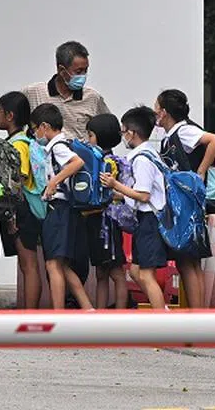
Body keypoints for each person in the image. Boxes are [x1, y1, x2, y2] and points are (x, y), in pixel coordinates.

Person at [153, 88, 215, 309]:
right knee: (190, 262)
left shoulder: (184, 132)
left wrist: (199, 173)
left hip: (187, 203)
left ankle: (196, 315)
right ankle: (198, 313)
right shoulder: (170, 136)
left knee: (187, 261)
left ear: (164, 112)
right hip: (183, 202)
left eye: (157, 109)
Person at [104, 106, 169, 310]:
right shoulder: (148, 154)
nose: (123, 135)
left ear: (132, 132)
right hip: (145, 219)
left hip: (150, 220)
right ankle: (163, 312)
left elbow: (143, 194)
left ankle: (165, 324)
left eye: (124, 131)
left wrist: (116, 185)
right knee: (135, 270)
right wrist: (118, 193)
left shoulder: (142, 160)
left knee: (147, 275)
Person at [0, 41, 110, 142]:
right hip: (40, 166)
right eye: (78, 72)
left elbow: (108, 128)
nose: (83, 76)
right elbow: (0, 108)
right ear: (61, 70)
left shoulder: (92, 98)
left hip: (77, 166)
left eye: (85, 71)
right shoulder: (34, 92)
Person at [32, 103, 94, 311]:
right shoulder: (60, 144)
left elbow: (77, 163)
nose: (35, 134)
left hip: (58, 208)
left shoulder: (58, 147)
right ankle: (87, 308)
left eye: (35, 129)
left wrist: (53, 182)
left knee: (53, 264)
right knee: (63, 265)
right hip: (65, 209)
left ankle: (58, 315)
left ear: (44, 126)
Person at [0, 91, 42, 309]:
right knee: (26, 263)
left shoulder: (19, 144)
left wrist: (12, 216)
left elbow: (19, 180)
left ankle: (30, 314)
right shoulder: (18, 140)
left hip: (22, 209)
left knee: (29, 264)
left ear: (10, 115)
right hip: (20, 209)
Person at [86, 114, 129, 310]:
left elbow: (113, 192)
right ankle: (101, 318)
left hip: (107, 222)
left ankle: (120, 319)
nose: (88, 140)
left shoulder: (110, 162)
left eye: (91, 135)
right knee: (101, 272)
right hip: (95, 221)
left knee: (116, 272)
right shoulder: (96, 159)